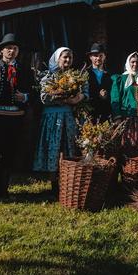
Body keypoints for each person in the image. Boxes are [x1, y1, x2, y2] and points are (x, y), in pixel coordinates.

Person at [0, 33, 32, 199]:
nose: (12, 51)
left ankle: (4, 190)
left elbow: (33, 92)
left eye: (15, 48)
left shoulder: (24, 69)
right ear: (1, 51)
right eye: (8, 48)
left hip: (15, 117)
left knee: (9, 154)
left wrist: (24, 97)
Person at [33, 47, 87, 190]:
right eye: (65, 57)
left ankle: (67, 180)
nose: (68, 60)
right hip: (52, 118)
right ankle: (54, 184)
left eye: (70, 57)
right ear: (58, 59)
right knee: (53, 147)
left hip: (68, 117)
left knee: (67, 147)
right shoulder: (49, 76)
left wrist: (77, 99)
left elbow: (85, 93)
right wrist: (61, 97)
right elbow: (44, 97)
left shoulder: (76, 77)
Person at [86, 43, 112, 122]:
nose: (98, 58)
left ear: (104, 57)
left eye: (101, 55)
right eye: (95, 56)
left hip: (106, 114)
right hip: (89, 114)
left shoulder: (109, 75)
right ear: (90, 57)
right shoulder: (85, 74)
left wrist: (106, 95)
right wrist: (98, 95)